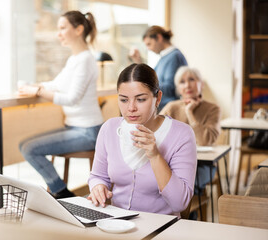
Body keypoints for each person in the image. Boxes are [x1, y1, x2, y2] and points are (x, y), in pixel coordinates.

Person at [87, 63, 197, 217]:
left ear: (157, 97)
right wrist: (98, 186)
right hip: (116, 225)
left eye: (140, 99)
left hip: (161, 228)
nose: (131, 108)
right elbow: (98, 176)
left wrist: (155, 155)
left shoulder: (182, 134)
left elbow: (180, 203)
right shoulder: (109, 128)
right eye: (124, 100)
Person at [19, 11, 104, 199]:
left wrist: (39, 92)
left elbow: (72, 98)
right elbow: (57, 84)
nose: (58, 33)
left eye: (62, 28)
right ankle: (61, 191)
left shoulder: (86, 60)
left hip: (88, 131)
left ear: (79, 29)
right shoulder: (74, 59)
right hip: (74, 127)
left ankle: (61, 193)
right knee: (23, 145)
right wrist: (34, 86)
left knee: (30, 149)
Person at [160, 66, 221, 194]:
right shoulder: (171, 107)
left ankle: (189, 214)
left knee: (187, 183)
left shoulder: (212, 109)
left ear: (201, 84)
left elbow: (204, 141)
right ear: (178, 88)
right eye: (182, 82)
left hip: (203, 165)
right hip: (174, 163)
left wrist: (189, 112)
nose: (187, 85)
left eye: (192, 79)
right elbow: (157, 133)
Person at [129, 26, 187, 110]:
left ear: (159, 38)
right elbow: (150, 76)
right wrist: (138, 61)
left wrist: (145, 84)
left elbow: (170, 88)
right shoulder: (164, 58)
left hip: (168, 109)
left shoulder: (174, 57)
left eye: (149, 44)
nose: (148, 49)